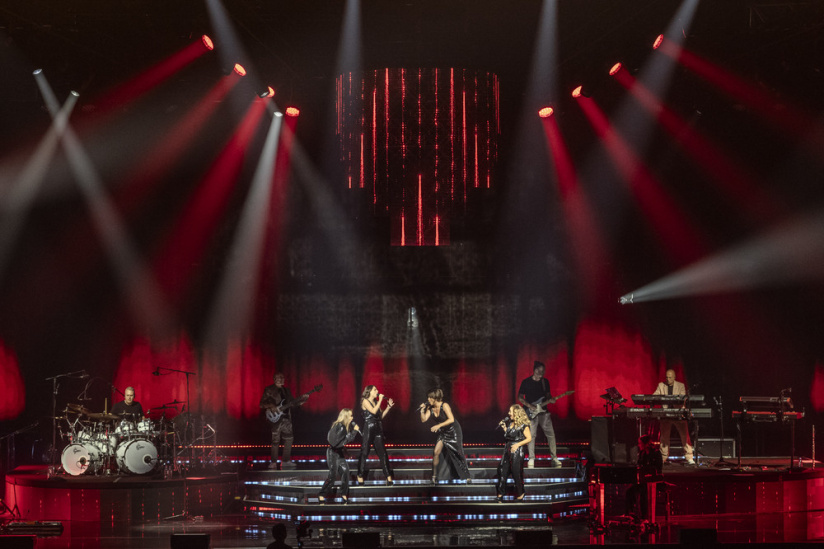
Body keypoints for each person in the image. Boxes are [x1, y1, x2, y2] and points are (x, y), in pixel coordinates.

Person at [419, 388, 471, 483]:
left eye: (430, 397)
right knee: (436, 452)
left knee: (458, 452)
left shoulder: (444, 405)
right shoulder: (430, 408)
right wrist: (422, 411)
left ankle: (467, 476)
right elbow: (424, 419)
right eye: (428, 397)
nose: (428, 399)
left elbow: (451, 419)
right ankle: (434, 476)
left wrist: (438, 425)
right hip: (444, 432)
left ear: (435, 398)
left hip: (453, 430)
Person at [260, 373, 309, 470]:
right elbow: (262, 404)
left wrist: (302, 401)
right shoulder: (269, 389)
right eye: (279, 377)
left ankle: (285, 461)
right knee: (275, 441)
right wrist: (271, 406)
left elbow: (292, 403)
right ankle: (273, 462)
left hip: (286, 418)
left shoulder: (287, 391)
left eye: (283, 377)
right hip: (276, 419)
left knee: (289, 439)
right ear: (274, 379)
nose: (281, 379)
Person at [518, 361, 562, 468]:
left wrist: (551, 399)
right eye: (539, 370)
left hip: (543, 412)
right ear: (535, 370)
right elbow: (520, 397)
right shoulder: (526, 382)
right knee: (531, 436)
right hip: (531, 412)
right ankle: (531, 458)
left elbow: (547, 395)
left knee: (550, 434)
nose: (541, 372)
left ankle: (554, 457)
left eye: (543, 370)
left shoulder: (545, 382)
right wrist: (530, 406)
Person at [318, 408, 360, 504]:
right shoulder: (340, 426)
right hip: (332, 453)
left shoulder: (343, 427)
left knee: (345, 471)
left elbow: (341, 442)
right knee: (332, 477)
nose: (352, 417)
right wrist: (354, 432)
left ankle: (344, 494)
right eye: (350, 415)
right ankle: (321, 494)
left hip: (339, 453)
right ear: (345, 417)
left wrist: (346, 452)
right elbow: (336, 442)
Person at [653, 369, 695, 465]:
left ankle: (689, 457)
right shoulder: (661, 385)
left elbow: (683, 398)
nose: (668, 379)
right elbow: (654, 396)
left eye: (670, 377)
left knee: (684, 436)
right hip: (665, 414)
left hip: (678, 414)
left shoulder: (680, 386)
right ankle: (663, 458)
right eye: (667, 377)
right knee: (664, 438)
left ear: (674, 377)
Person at [357, 385, 394, 485]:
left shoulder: (376, 402)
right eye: (375, 390)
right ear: (369, 392)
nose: (377, 391)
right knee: (365, 452)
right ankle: (360, 475)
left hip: (378, 428)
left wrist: (388, 407)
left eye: (377, 389)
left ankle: (388, 476)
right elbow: (373, 412)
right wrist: (381, 400)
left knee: (383, 453)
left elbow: (380, 416)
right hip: (369, 427)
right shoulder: (365, 401)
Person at [496, 404, 532, 502]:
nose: (509, 413)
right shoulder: (511, 424)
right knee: (502, 471)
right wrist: (504, 427)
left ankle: (521, 493)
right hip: (507, 450)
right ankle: (500, 494)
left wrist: (517, 445)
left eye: (510, 411)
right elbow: (509, 436)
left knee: (516, 473)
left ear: (516, 413)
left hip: (517, 451)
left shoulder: (523, 425)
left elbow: (529, 438)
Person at [625, 434, 664, 519]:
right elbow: (639, 465)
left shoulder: (656, 453)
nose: (639, 445)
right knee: (629, 491)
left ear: (646, 444)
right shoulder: (642, 453)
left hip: (653, 480)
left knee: (644, 493)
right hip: (643, 480)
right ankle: (630, 513)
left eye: (640, 443)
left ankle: (644, 516)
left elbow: (658, 468)